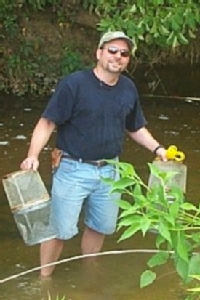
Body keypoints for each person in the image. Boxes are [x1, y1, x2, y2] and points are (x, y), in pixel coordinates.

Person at [20, 31, 167, 277]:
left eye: (124, 54)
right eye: (112, 51)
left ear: (128, 59)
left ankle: (90, 274)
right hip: (72, 168)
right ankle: (44, 280)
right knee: (60, 229)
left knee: (102, 227)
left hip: (111, 171)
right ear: (99, 53)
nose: (118, 57)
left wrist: (158, 148)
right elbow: (47, 122)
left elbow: (135, 127)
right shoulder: (74, 84)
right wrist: (32, 155)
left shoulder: (128, 88)